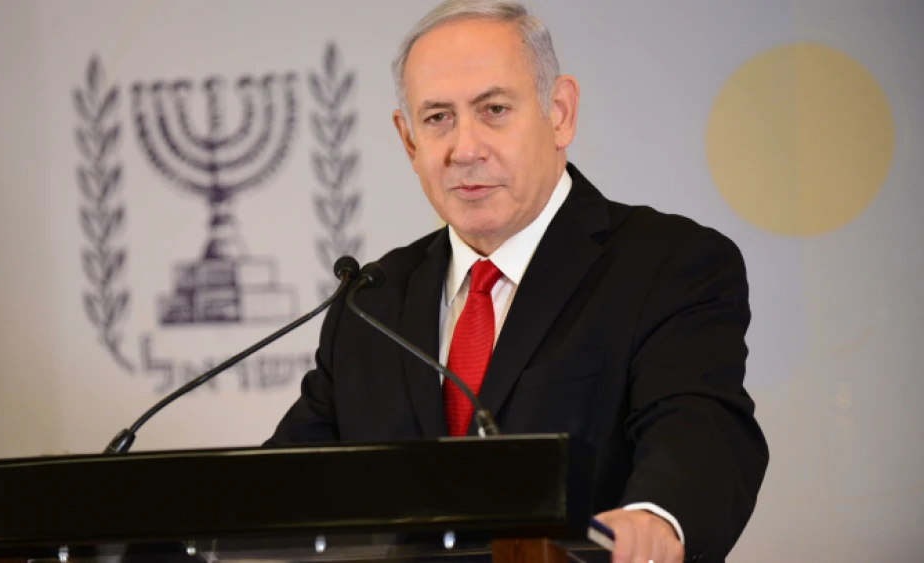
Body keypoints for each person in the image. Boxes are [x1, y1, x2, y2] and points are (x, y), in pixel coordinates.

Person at [266, 1, 769, 561]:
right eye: (437, 118)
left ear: (560, 113)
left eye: (495, 109)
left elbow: (701, 428)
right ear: (408, 141)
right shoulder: (371, 302)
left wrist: (655, 519)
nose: (466, 149)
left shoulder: (669, 264)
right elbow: (283, 489)